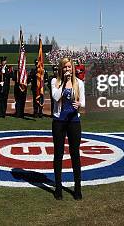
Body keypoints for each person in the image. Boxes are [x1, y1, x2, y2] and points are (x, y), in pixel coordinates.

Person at [51, 57, 85, 201]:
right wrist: (64, 83)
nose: (67, 70)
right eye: (64, 67)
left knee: (75, 154)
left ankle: (77, 187)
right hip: (59, 121)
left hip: (74, 121)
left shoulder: (79, 83)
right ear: (61, 68)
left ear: (73, 68)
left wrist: (79, 104)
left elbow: (83, 101)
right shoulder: (55, 82)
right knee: (58, 154)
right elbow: (55, 97)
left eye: (69, 67)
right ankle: (58, 187)